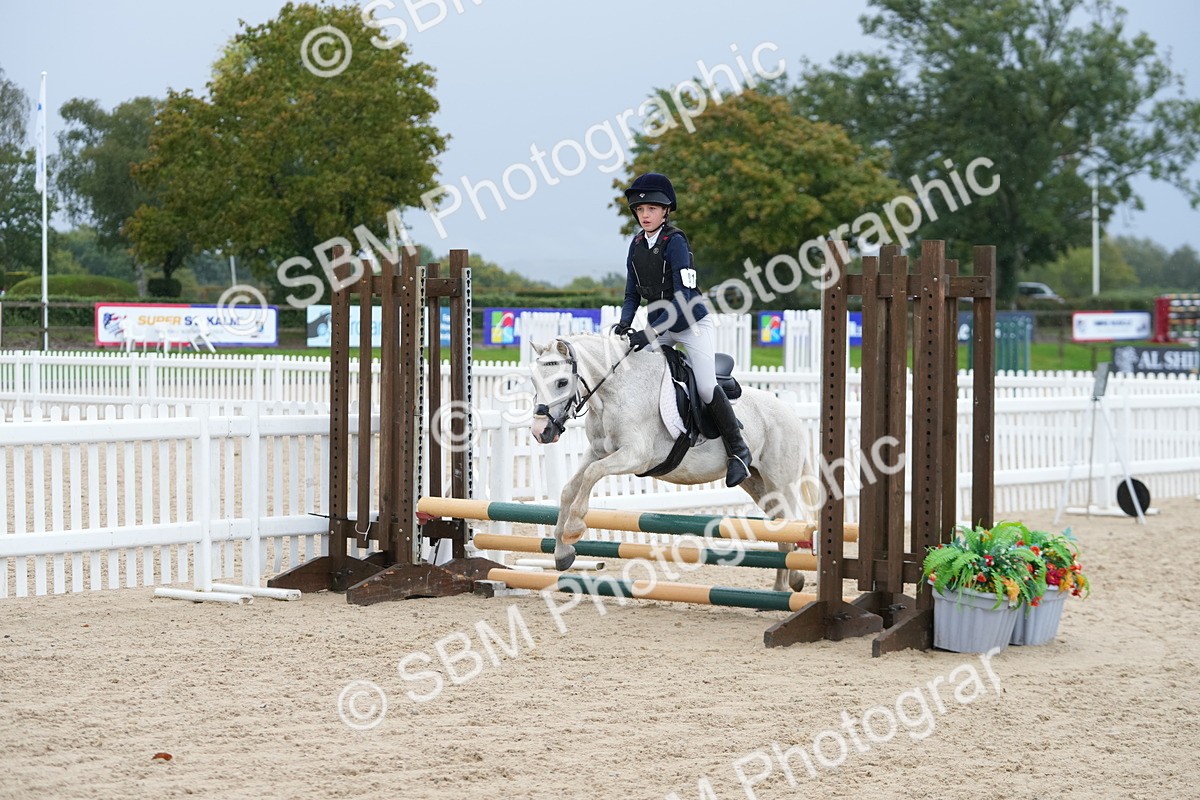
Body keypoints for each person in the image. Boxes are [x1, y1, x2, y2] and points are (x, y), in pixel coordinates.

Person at [614, 172, 752, 487]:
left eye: (651, 209)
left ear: (665, 211)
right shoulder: (636, 244)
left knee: (704, 386)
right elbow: (632, 293)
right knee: (633, 372)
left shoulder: (676, 242)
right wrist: (625, 322)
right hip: (660, 325)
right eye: (640, 210)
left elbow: (683, 299)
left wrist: (647, 335)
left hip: (691, 323)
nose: (644, 215)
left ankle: (739, 450)